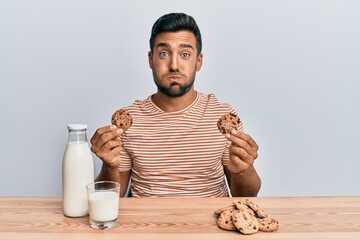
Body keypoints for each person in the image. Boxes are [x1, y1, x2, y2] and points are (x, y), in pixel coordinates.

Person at [90, 13, 261, 198]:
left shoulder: (221, 114)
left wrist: (244, 170)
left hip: (210, 223)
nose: (174, 65)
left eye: (185, 54)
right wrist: (109, 166)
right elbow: (111, 198)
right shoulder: (130, 119)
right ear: (150, 59)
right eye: (164, 53)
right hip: (148, 223)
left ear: (198, 61)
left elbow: (245, 196)